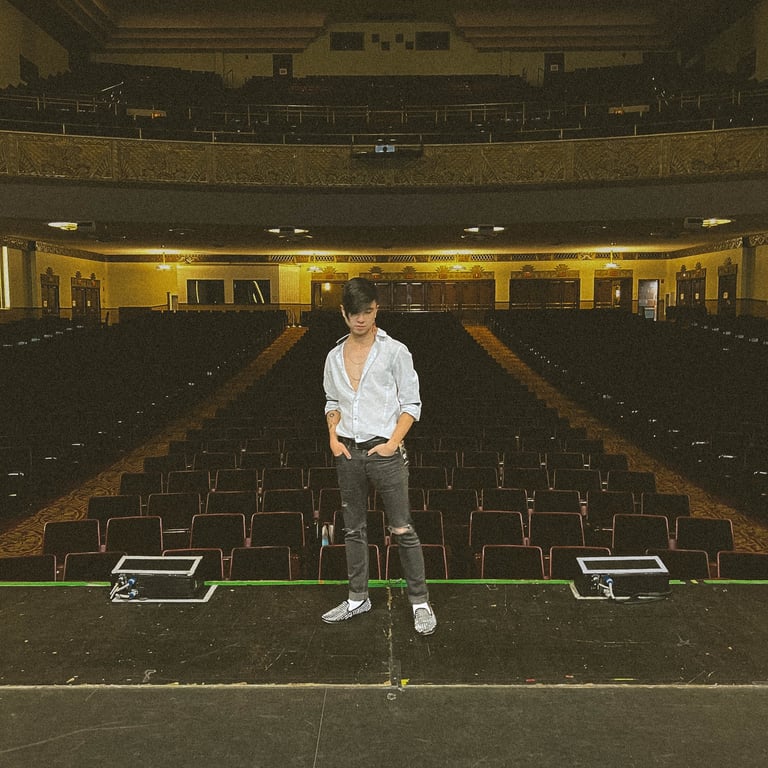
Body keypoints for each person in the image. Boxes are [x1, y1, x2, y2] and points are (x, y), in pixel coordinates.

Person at [321, 277, 437, 635]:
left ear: (376, 310)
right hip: (347, 451)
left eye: (368, 311)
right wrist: (332, 437)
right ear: (343, 313)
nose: (361, 319)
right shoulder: (333, 356)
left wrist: (392, 443)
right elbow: (331, 401)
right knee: (353, 529)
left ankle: (420, 601)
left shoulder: (395, 351)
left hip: (385, 452)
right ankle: (358, 597)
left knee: (402, 528)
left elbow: (412, 403)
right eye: (355, 312)